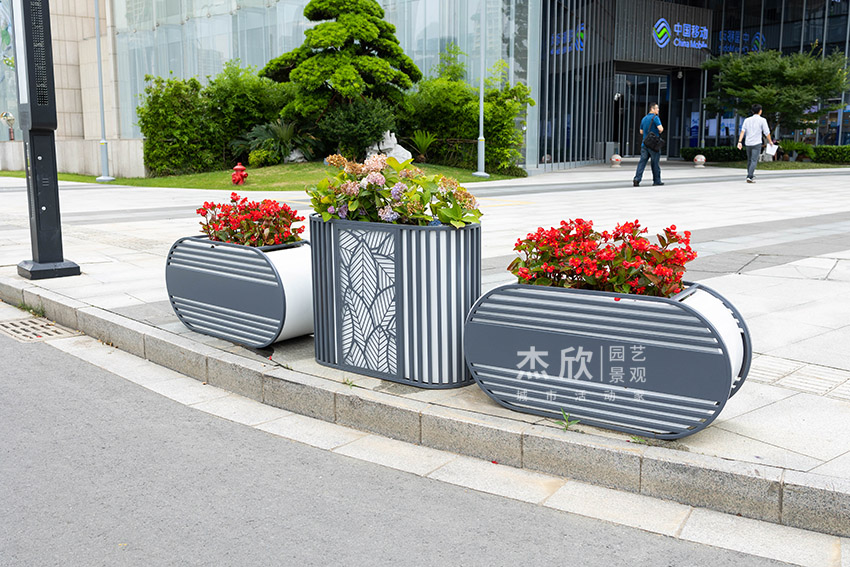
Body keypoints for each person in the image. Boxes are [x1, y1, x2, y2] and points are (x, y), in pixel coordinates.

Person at [737, 104, 773, 183]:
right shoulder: (762, 120)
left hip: (748, 143)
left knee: (749, 160)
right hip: (756, 143)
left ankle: (750, 175)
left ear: (752, 111)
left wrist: (739, 142)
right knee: (754, 160)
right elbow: (767, 132)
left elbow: (742, 131)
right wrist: (770, 141)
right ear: (760, 111)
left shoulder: (747, 120)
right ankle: (749, 176)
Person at [633, 103, 664, 187]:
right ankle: (657, 181)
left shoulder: (644, 118)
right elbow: (661, 129)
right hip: (653, 145)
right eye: (657, 108)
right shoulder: (655, 118)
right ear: (652, 109)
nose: (658, 110)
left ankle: (637, 179)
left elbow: (641, 131)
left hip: (645, 144)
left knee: (642, 162)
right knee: (655, 163)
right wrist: (657, 131)